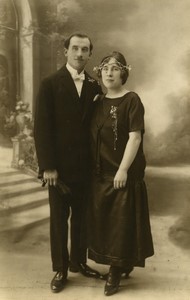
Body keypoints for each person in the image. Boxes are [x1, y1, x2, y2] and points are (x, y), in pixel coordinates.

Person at [34, 33, 102, 293]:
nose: (79, 54)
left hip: (86, 168)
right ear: (66, 51)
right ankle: (61, 269)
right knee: (59, 220)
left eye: (85, 49)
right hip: (58, 169)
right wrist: (48, 166)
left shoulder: (95, 87)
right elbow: (41, 128)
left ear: (90, 54)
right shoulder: (50, 83)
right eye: (75, 48)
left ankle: (78, 263)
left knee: (83, 219)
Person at [87, 51, 154, 296]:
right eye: (105, 68)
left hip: (122, 172)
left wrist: (123, 169)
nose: (109, 72)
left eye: (115, 68)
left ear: (123, 72)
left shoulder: (131, 100)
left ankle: (116, 271)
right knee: (106, 221)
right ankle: (119, 264)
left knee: (120, 223)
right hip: (100, 173)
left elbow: (135, 137)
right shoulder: (97, 102)